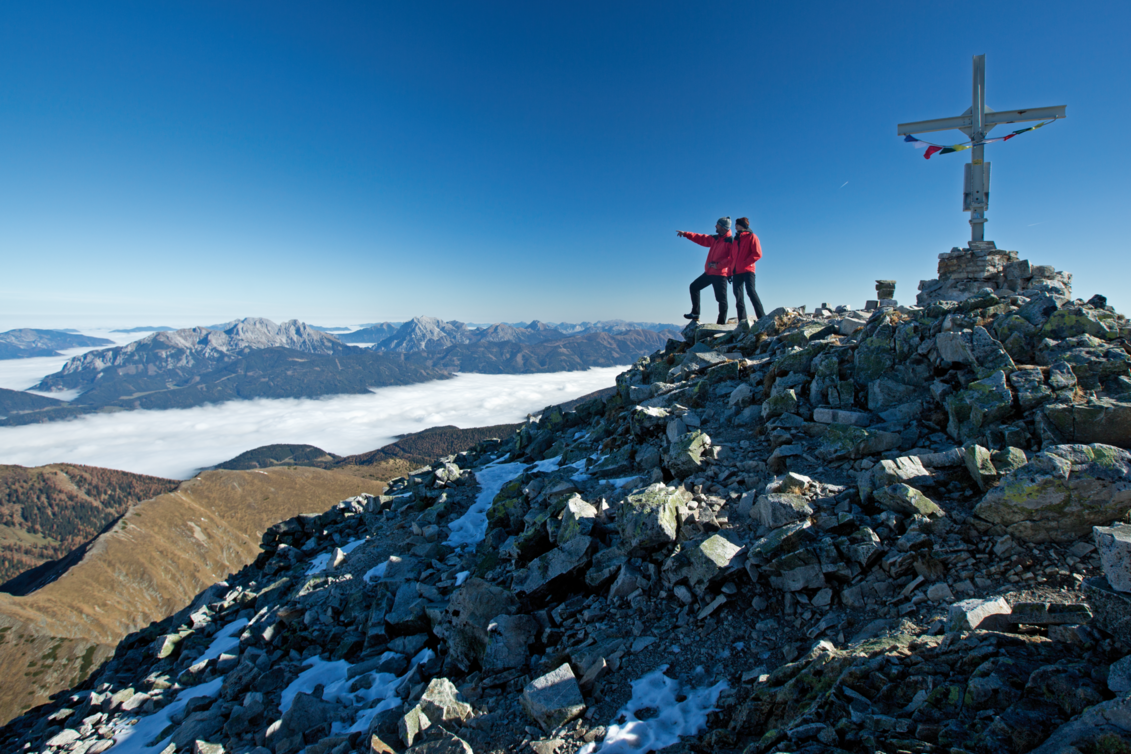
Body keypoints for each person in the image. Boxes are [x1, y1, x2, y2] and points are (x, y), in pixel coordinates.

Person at [676, 217, 734, 324]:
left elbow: (732, 258)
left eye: (717, 224)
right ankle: (695, 313)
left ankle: (720, 324)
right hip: (709, 272)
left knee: (721, 300)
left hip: (720, 274)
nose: (715, 226)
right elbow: (701, 238)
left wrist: (718, 266)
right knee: (694, 287)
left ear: (722, 227)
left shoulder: (730, 241)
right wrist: (685, 234)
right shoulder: (715, 238)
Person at [731, 217, 765, 321]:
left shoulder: (752, 237)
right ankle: (742, 321)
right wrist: (730, 271)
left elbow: (758, 254)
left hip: (748, 270)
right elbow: (732, 257)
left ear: (743, 225)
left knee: (751, 291)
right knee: (738, 297)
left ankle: (762, 318)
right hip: (736, 272)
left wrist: (745, 263)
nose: (735, 226)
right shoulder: (736, 239)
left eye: (737, 224)